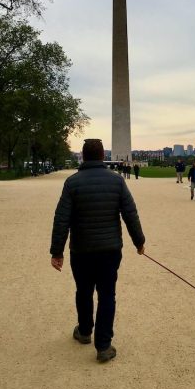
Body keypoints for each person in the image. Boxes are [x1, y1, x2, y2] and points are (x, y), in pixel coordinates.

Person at [50, 139, 146, 363]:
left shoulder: (72, 183)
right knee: (107, 295)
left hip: (81, 250)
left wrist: (57, 252)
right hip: (110, 249)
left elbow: (61, 219)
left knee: (83, 291)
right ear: (103, 155)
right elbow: (130, 213)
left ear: (83, 156)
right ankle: (103, 345)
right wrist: (139, 241)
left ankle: (84, 332)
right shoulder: (116, 181)